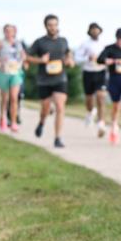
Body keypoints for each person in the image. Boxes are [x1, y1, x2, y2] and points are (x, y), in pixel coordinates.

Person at [26, 14, 74, 148]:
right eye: (50, 25)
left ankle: (57, 138)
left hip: (60, 79)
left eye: (55, 25)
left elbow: (68, 53)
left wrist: (69, 60)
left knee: (60, 106)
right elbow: (27, 57)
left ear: (58, 25)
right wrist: (40, 60)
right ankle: (41, 122)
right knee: (45, 108)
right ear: (46, 26)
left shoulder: (63, 41)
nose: (53, 27)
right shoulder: (40, 42)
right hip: (44, 80)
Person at [75, 22, 109, 137]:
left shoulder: (104, 44)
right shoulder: (84, 44)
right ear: (89, 31)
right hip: (88, 72)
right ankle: (90, 112)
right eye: (92, 30)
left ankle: (101, 124)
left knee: (101, 97)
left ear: (100, 31)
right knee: (89, 99)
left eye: (97, 30)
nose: (95, 32)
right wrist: (87, 58)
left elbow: (109, 57)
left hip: (100, 72)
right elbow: (77, 58)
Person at [0, 24, 27, 132]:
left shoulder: (18, 43)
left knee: (14, 97)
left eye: (11, 31)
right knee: (5, 98)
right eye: (6, 31)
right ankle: (2, 118)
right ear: (4, 32)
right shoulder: (0, 43)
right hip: (4, 72)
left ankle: (13, 122)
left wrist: (23, 60)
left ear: (14, 32)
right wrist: (1, 60)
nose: (9, 33)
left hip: (16, 72)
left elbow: (24, 55)